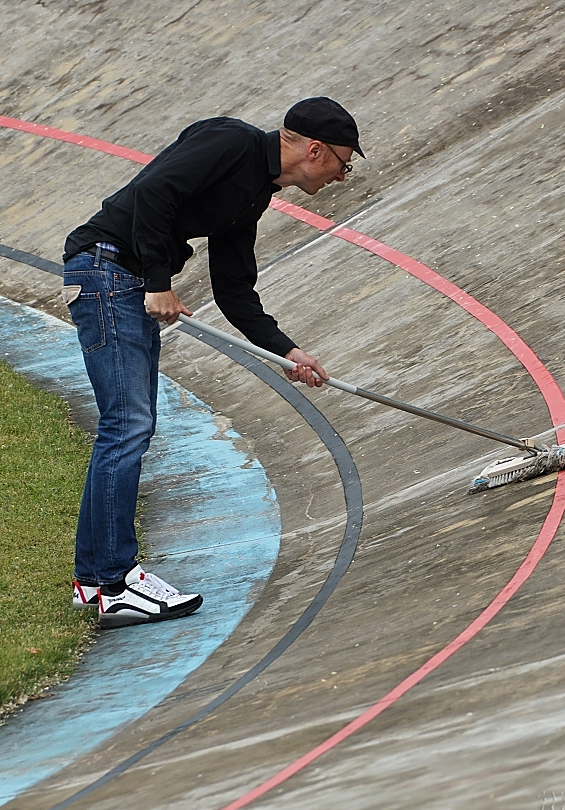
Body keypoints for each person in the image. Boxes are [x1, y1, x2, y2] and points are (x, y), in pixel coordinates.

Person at [61, 96, 363, 628]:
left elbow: (234, 290)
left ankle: (95, 583)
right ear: (316, 150)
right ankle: (113, 583)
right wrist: (158, 282)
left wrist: (287, 352)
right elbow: (153, 192)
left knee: (126, 425)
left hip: (122, 281)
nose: (343, 175)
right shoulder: (232, 141)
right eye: (344, 161)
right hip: (108, 273)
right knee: (127, 425)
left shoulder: (254, 194)